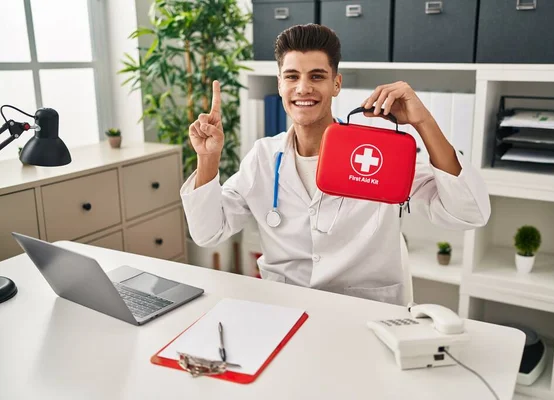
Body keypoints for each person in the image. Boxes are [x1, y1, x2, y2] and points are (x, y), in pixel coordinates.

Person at [180, 24, 490, 305]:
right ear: (279, 85)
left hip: (367, 314)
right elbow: (208, 233)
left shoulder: (380, 153)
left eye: (317, 76)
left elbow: (470, 213)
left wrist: (422, 121)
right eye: (292, 77)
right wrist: (208, 157)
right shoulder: (263, 157)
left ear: (336, 84)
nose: (303, 88)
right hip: (286, 308)